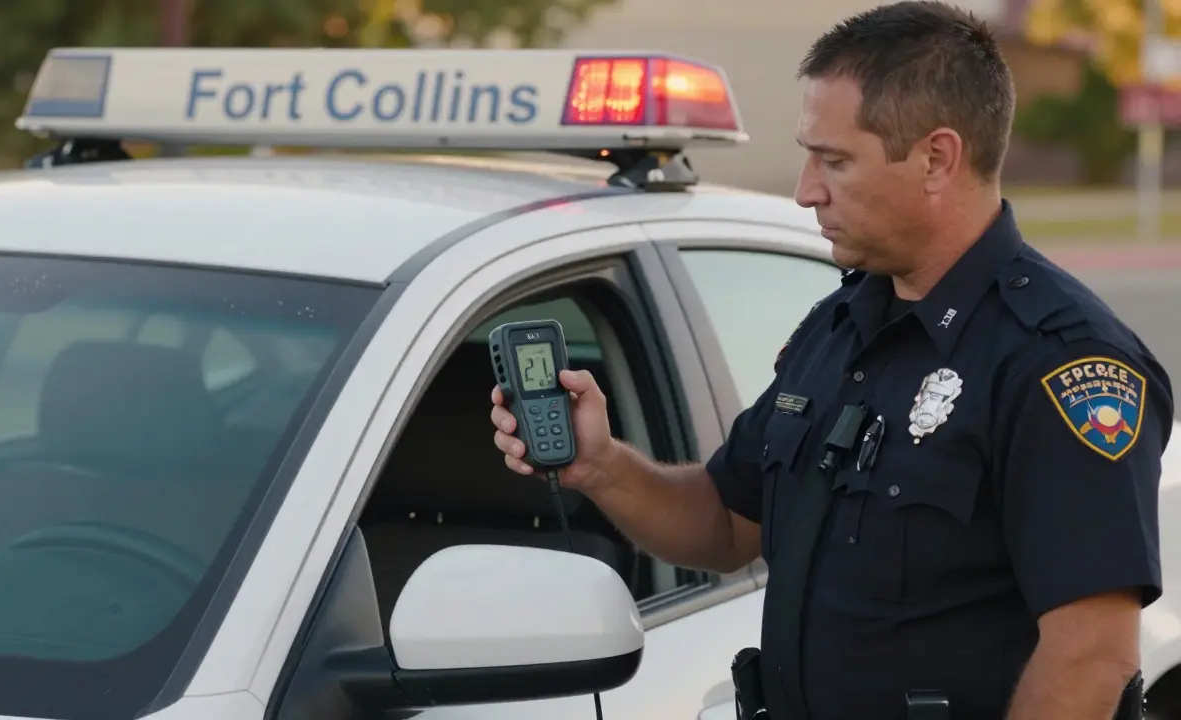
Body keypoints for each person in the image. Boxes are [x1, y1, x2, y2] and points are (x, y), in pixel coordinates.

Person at [489, 2, 1174, 718]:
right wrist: (602, 466)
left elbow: (1090, 656)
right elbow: (726, 523)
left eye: (835, 160)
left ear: (937, 158)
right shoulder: (841, 326)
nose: (805, 189)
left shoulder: (1058, 361)